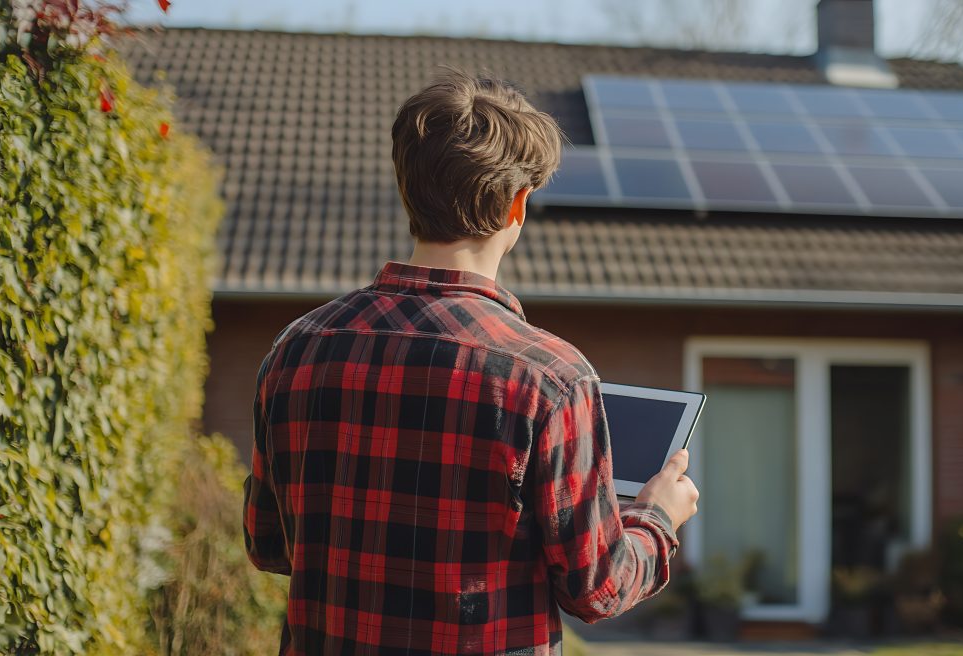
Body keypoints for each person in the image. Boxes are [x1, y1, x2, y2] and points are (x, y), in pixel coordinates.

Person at [243, 68, 699, 656]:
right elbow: (598, 588)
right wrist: (656, 517)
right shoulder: (551, 378)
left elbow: (267, 544)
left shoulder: (294, 350)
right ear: (519, 206)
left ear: (408, 191)